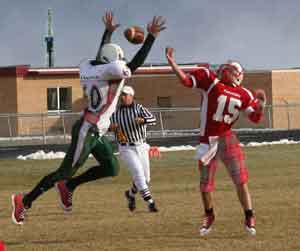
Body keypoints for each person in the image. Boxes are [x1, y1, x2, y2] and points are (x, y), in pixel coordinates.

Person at [11, 11, 166, 225]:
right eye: (119, 59)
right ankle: (24, 201)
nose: (122, 62)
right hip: (88, 130)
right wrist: (150, 38)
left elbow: (101, 55)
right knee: (64, 171)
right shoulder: (113, 71)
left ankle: (69, 186)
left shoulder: (91, 67)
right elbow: (134, 64)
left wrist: (108, 33)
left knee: (111, 167)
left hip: (96, 129)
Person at [165, 47, 266, 236]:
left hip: (227, 137)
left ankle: (249, 215)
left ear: (237, 75)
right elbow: (187, 81)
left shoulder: (244, 94)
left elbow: (255, 118)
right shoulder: (211, 81)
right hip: (208, 140)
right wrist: (173, 63)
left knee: (240, 180)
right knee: (205, 185)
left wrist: (261, 106)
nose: (223, 70)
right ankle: (209, 215)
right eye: (224, 68)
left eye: (229, 69)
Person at [110, 85, 158, 212]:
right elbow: (105, 127)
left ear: (132, 96)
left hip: (141, 145)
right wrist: (111, 128)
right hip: (126, 148)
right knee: (138, 173)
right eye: (122, 95)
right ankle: (150, 202)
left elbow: (153, 119)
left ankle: (130, 194)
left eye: (126, 95)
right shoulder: (115, 113)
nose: (123, 97)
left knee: (146, 178)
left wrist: (143, 120)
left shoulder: (139, 108)